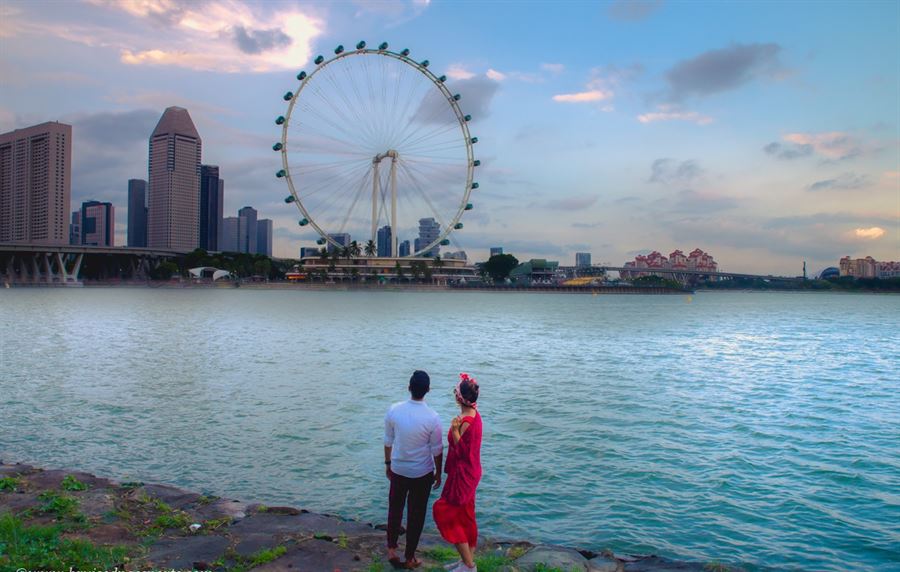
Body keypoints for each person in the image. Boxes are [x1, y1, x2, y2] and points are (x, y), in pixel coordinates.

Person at [384, 370, 444, 569]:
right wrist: (438, 472)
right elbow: (437, 450)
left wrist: (388, 464)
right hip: (421, 473)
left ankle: (392, 549)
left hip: (398, 469)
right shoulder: (433, 417)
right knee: (416, 515)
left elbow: (388, 441)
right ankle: (410, 557)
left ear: (409, 387)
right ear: (428, 390)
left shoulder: (394, 410)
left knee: (395, 509)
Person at [433, 373, 482, 572]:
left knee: (444, 512)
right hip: (471, 473)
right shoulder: (473, 415)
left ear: (459, 398)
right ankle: (467, 561)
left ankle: (469, 566)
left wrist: (454, 433)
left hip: (463, 475)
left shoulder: (465, 422)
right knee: (466, 515)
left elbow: (463, 453)